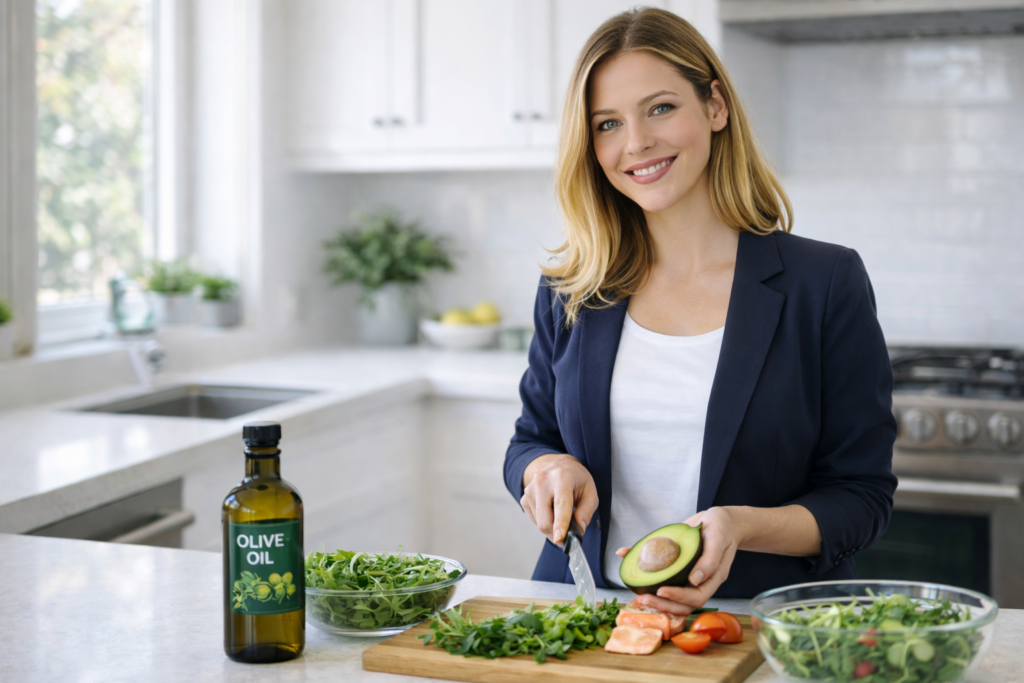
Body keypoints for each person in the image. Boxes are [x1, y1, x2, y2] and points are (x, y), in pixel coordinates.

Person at [503, 7, 897, 616]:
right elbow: (530, 441)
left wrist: (742, 526)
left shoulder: (825, 283)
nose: (636, 142)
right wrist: (544, 468)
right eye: (607, 123)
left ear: (715, 106)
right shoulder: (571, 287)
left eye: (660, 108)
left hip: (758, 626)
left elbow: (861, 498)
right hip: (584, 621)